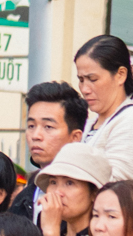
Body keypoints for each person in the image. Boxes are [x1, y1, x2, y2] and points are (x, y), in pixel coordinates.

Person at [74, 35, 133, 184]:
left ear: (120, 75)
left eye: (93, 79)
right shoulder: (89, 124)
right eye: (81, 80)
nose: (85, 89)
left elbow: (114, 185)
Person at [10, 83, 88, 220]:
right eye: (31, 126)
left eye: (48, 127)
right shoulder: (22, 200)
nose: (36, 135)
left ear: (75, 137)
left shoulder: (85, 204)